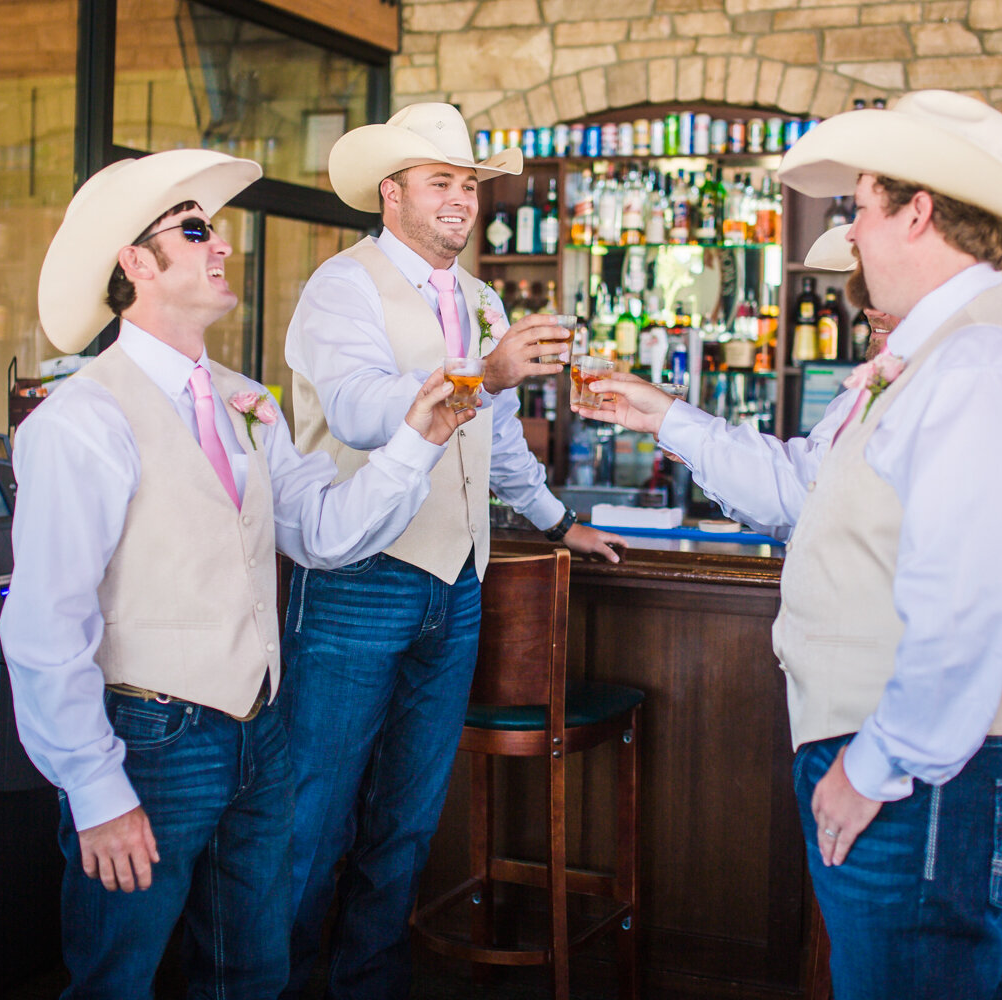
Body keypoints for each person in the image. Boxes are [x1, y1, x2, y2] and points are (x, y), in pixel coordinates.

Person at [575, 90, 1002, 998]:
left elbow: (978, 603)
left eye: (863, 205)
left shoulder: (982, 367)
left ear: (917, 212)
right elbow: (802, 490)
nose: (853, 231)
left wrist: (879, 764)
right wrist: (661, 412)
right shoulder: (930, 361)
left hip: (923, 780)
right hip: (925, 763)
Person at [0, 148, 473, 999]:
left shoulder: (245, 400)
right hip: (148, 742)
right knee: (118, 975)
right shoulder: (81, 420)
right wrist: (95, 786)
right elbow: (45, 624)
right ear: (136, 264)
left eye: (214, 229)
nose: (220, 246)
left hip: (262, 732)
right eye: (193, 231)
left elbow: (326, 538)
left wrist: (418, 442)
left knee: (248, 973)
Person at [279, 102, 626, 998]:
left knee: (405, 824)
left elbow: (499, 439)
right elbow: (359, 408)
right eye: (443, 183)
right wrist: (490, 370)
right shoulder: (341, 287)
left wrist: (555, 522)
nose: (462, 202)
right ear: (391, 195)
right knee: (312, 820)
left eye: (470, 186)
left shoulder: (479, 298)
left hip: (457, 585)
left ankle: (365, 987)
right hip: (358, 580)